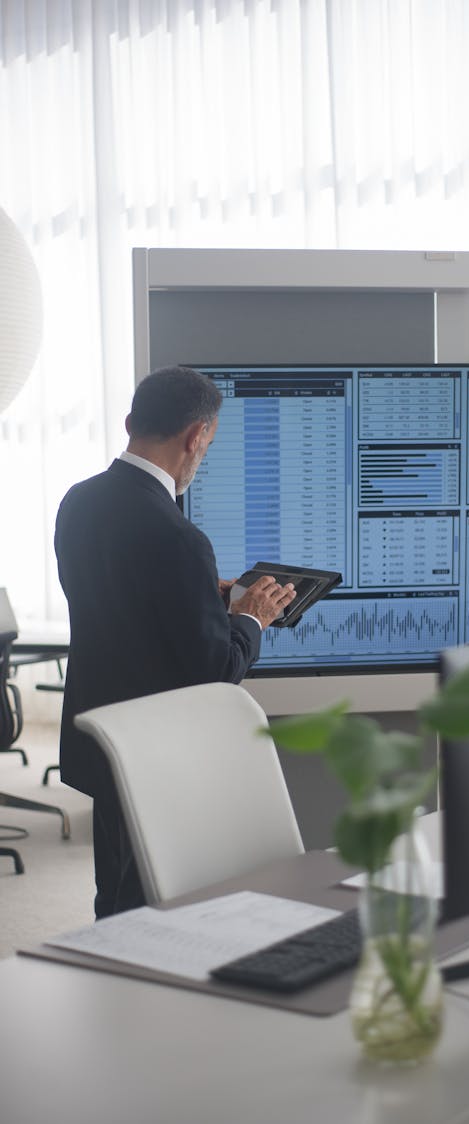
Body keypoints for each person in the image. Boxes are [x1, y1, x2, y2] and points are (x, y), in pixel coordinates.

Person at [54, 365, 295, 919]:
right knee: (149, 910)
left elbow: (113, 600)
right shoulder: (179, 537)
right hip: (157, 755)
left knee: (112, 900)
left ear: (131, 422)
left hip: (100, 734)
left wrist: (201, 595)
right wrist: (252, 618)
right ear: (197, 436)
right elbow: (217, 672)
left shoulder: (79, 501)